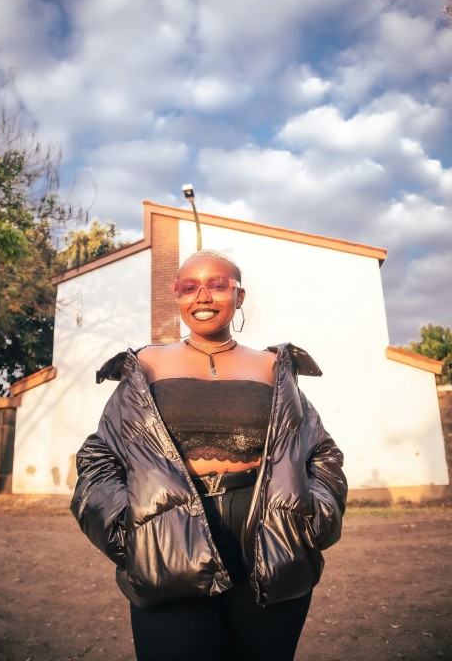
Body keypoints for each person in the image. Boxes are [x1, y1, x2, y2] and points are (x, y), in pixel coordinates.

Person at [71, 249, 347, 661]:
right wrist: (127, 530)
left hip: (271, 540)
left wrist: (310, 520)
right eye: (189, 286)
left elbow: (321, 453)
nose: (202, 296)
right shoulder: (145, 364)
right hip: (165, 543)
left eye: (217, 285)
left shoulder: (273, 366)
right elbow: (100, 457)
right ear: (176, 295)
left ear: (239, 295)